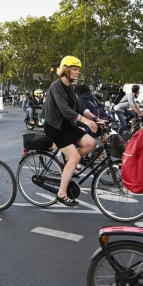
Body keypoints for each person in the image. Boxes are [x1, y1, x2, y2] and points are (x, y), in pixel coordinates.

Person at [41, 56, 98, 206]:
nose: (77, 72)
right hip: (54, 127)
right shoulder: (56, 86)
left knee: (91, 143)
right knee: (74, 158)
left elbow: (79, 106)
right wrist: (85, 121)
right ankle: (61, 193)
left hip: (65, 125)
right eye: (74, 69)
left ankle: (69, 164)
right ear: (66, 70)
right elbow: (65, 110)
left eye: (78, 70)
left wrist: (96, 118)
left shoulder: (70, 88)